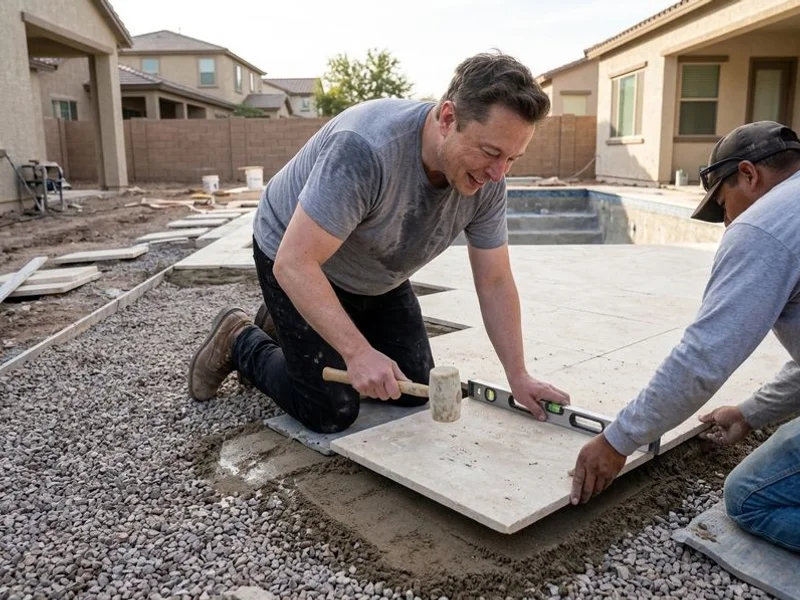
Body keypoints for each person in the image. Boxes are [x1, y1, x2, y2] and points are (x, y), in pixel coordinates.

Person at [188, 51, 570, 434]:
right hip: (298, 258)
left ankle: (284, 320)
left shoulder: (489, 181)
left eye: (512, 159)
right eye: (490, 152)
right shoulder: (365, 149)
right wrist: (357, 353)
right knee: (330, 409)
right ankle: (240, 339)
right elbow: (293, 263)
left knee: (413, 390)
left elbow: (495, 281)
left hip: (375, 271)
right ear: (449, 118)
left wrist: (518, 375)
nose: (498, 173)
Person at [570, 121, 800, 552]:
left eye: (724, 204)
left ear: (749, 175)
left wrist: (617, 440)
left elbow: (703, 359)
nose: (727, 220)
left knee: (750, 496)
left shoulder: (763, 225)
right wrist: (751, 412)